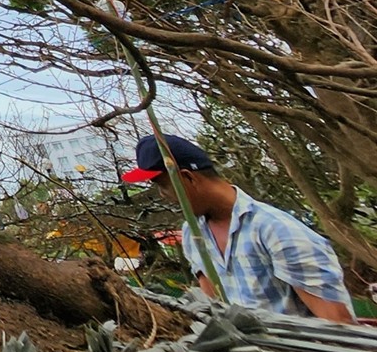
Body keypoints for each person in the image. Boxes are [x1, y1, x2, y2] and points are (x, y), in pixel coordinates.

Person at [122, 134, 357, 322]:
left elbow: (338, 326)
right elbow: (212, 307)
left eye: (163, 187)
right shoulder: (193, 234)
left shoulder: (276, 231)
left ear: (188, 178)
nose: (164, 196)